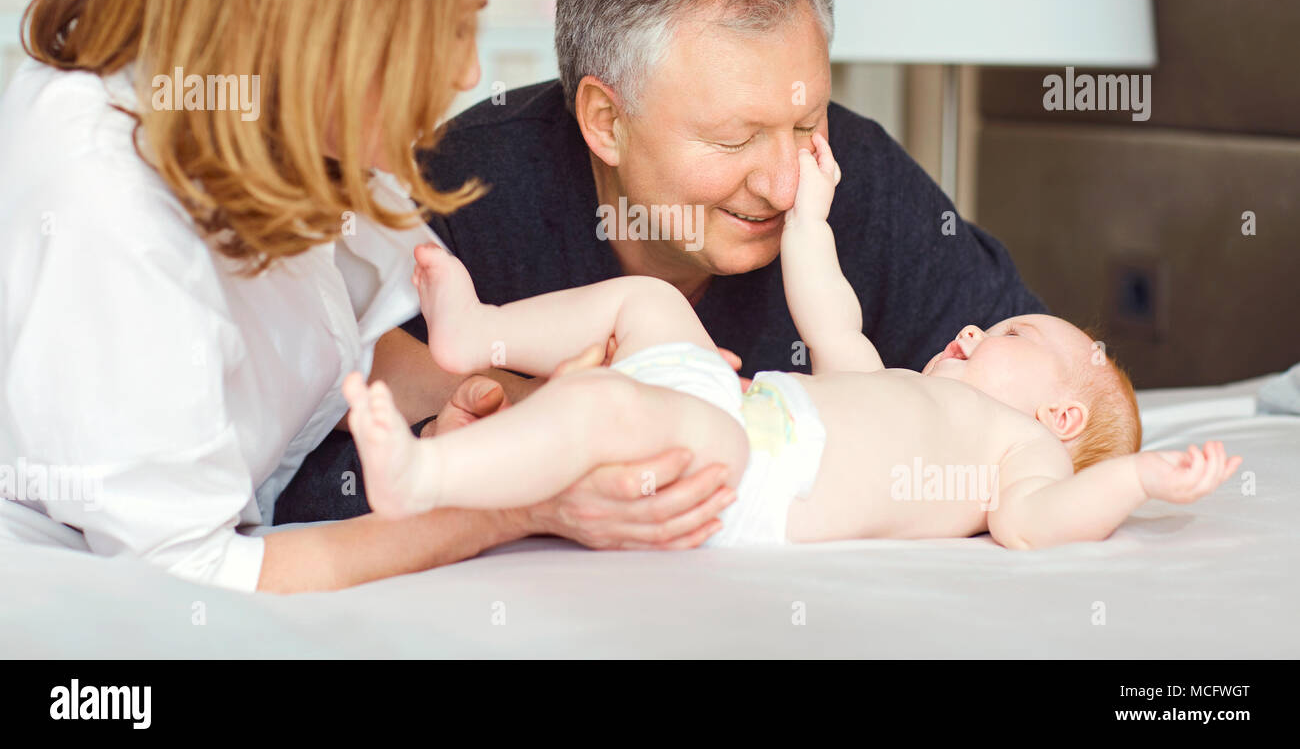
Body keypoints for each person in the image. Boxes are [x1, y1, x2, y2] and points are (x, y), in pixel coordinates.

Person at [0, 0, 733, 593]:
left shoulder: (283, 109)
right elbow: (195, 577)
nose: (465, 73)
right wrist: (519, 505)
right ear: (322, 17)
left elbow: (345, 345)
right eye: (449, 28)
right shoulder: (105, 208)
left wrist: (552, 418)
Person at [281, 0, 1048, 522]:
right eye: (733, 139)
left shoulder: (851, 175)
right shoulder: (454, 198)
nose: (786, 186)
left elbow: (1052, 392)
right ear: (606, 122)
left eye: (806, 122)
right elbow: (296, 484)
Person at [344, 136, 1238, 549]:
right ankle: (477, 332)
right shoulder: (889, 383)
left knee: (604, 404)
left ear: (1061, 411)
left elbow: (1038, 526)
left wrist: (1134, 480)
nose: (971, 325)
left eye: (1008, 331)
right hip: (736, 404)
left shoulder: (1019, 454)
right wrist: (810, 213)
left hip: (747, 479)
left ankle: (430, 478)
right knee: (646, 301)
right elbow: (828, 307)